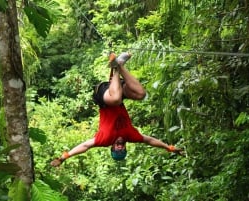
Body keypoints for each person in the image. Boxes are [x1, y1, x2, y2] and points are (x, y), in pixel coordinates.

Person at [50, 52, 183, 167]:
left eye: (117, 149)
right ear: (125, 147)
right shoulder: (131, 136)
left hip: (103, 97)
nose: (119, 147)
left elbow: (85, 146)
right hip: (116, 91)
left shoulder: (105, 140)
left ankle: (116, 68)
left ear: (112, 147)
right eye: (122, 149)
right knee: (141, 94)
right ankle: (119, 66)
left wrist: (63, 157)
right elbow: (150, 140)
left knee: (116, 100)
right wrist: (169, 148)